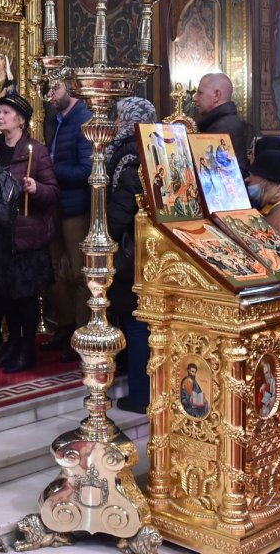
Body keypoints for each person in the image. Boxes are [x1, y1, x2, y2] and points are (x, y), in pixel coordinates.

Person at [0, 93, 58, 374]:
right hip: (0, 233)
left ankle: (26, 349)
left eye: (5, 112)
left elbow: (53, 191)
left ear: (20, 119)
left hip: (26, 235)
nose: (0, 117)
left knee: (24, 297)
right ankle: (12, 343)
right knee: (5, 296)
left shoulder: (36, 151)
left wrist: (36, 189)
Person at [105, 96, 159, 413]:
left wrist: (105, 237)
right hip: (154, 251)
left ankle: (141, 393)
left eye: (117, 118)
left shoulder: (127, 160)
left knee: (137, 322)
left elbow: (118, 215)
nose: (113, 125)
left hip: (133, 253)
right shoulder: (156, 151)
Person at [42, 80, 93, 354]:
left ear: (71, 87)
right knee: (57, 272)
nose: (51, 95)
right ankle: (63, 327)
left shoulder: (83, 119)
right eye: (48, 89)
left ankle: (81, 333)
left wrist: (50, 170)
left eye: (56, 88)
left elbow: (87, 170)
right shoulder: (57, 120)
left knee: (78, 273)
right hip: (56, 207)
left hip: (76, 209)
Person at [193, 72, 252, 178]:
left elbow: (213, 176)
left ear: (216, 95)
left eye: (200, 93)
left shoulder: (220, 128)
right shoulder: (228, 122)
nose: (195, 98)